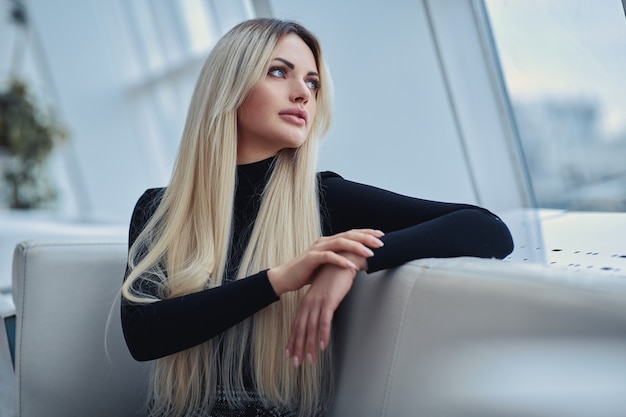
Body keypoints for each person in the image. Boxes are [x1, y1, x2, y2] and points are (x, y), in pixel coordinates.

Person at [121, 18, 513, 417]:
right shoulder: (158, 210)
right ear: (229, 86)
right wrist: (280, 279)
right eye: (279, 72)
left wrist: (354, 259)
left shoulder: (324, 198)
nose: (303, 94)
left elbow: (488, 229)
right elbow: (144, 335)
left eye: (312, 82)